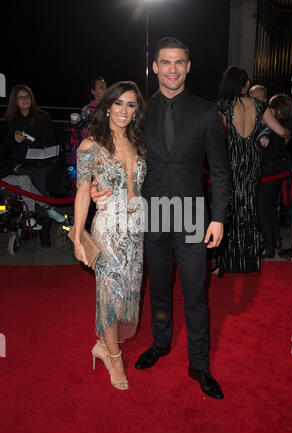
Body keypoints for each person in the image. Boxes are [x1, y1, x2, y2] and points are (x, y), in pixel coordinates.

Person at [92, 37, 230, 400]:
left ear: (188, 66)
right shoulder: (139, 112)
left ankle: (200, 366)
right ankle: (160, 343)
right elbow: (116, 155)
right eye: (165, 63)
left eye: (179, 62)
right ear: (154, 67)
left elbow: (219, 171)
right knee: (159, 290)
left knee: (196, 292)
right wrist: (97, 187)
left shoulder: (206, 112)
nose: (172, 69)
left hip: (190, 217)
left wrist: (217, 218)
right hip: (149, 215)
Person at [73, 81, 147, 391]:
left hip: (136, 230)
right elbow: (82, 192)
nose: (124, 111)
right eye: (119, 104)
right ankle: (113, 356)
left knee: (129, 292)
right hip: (109, 231)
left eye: (131, 105)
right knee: (110, 296)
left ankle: (102, 345)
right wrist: (77, 236)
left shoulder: (139, 144)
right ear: (107, 106)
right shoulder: (91, 144)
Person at [215, 66, 291, 275]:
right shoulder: (260, 106)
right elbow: (282, 131)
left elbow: (216, 138)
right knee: (248, 205)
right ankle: (248, 260)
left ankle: (228, 259)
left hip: (232, 161)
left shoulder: (222, 107)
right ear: (246, 84)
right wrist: (286, 138)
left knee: (231, 206)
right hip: (253, 161)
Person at [3, 85, 64, 223]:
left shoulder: (43, 116)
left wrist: (46, 147)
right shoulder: (10, 121)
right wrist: (15, 139)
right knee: (26, 195)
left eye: (27, 96)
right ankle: (29, 224)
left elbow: (52, 139)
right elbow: (5, 147)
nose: (25, 100)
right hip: (22, 164)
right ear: (15, 101)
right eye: (20, 97)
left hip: (42, 163)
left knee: (43, 193)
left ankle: (44, 226)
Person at [257, 94, 292, 258]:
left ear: (278, 109)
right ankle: (276, 240)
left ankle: (268, 246)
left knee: (262, 209)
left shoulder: (278, 127)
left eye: (271, 107)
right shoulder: (284, 125)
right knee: (269, 208)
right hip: (276, 170)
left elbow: (272, 151)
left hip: (270, 171)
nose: (269, 110)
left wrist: (263, 144)